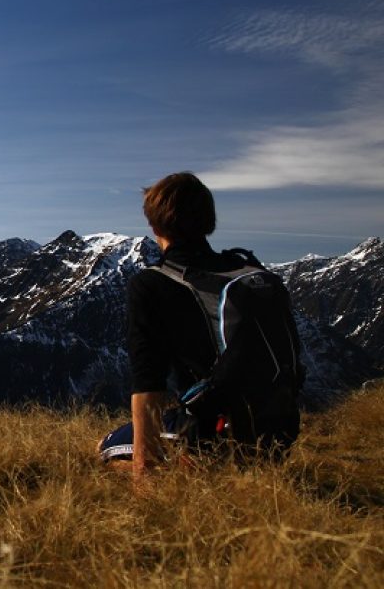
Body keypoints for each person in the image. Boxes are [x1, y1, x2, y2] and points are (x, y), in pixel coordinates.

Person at [98, 172, 303, 476]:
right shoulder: (244, 270)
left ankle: (188, 469)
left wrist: (144, 468)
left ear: (154, 225)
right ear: (208, 221)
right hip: (277, 432)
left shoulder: (153, 283)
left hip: (209, 435)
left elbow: (148, 380)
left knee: (105, 446)